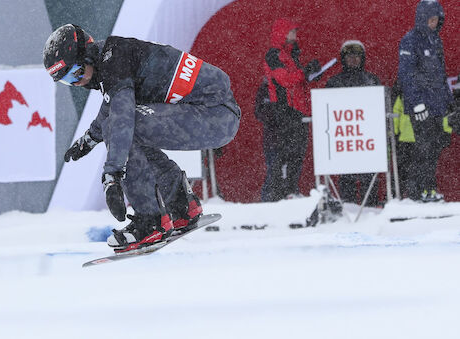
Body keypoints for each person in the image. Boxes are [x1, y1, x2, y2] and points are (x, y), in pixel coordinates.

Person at [43, 24, 240, 252]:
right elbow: (112, 105)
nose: (77, 83)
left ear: (87, 54)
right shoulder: (113, 57)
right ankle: (181, 207)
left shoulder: (114, 60)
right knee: (123, 126)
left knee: (123, 126)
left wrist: (113, 175)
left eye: (76, 72)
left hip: (214, 114)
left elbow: (121, 115)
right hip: (215, 114)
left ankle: (150, 221)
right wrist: (88, 139)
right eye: (68, 80)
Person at [398, 0, 455, 202]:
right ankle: (415, 193)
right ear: (422, 19)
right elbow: (406, 74)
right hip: (422, 107)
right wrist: (416, 103)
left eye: (436, 20)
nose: (433, 23)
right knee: (422, 149)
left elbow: (441, 75)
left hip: (437, 105)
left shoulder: (435, 41)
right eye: (430, 19)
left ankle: (428, 190)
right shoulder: (410, 40)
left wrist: (449, 103)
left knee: (433, 149)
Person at [259, 18, 320, 202]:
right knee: (284, 153)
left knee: (297, 152)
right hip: (284, 110)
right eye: (292, 31)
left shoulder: (291, 54)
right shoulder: (274, 55)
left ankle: (290, 189)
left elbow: (296, 82)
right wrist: (305, 72)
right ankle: (277, 194)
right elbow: (285, 80)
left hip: (298, 111)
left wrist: (312, 73)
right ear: (283, 33)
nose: (295, 35)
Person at [325, 40, 381, 206]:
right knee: (346, 177)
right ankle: (347, 210)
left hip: (366, 139)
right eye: (349, 56)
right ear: (343, 59)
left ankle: (370, 209)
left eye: (357, 56)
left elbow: (379, 106)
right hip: (345, 140)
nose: (353, 60)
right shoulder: (334, 83)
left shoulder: (372, 80)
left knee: (369, 176)